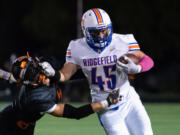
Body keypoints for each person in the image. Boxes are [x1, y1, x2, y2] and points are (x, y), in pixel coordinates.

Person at [40, 8, 154, 135]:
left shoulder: (123, 41)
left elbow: (147, 60)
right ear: (85, 31)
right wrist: (52, 73)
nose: (101, 36)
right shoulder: (77, 47)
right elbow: (65, 75)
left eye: (104, 31)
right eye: (95, 33)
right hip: (106, 107)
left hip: (130, 101)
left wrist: (137, 68)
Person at [0, 55, 119, 135]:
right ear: (28, 82)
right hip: (12, 126)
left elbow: (69, 74)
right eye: (32, 74)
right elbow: (74, 113)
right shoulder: (36, 98)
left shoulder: (43, 66)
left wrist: (101, 70)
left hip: (23, 122)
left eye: (35, 67)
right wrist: (105, 103)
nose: (38, 72)